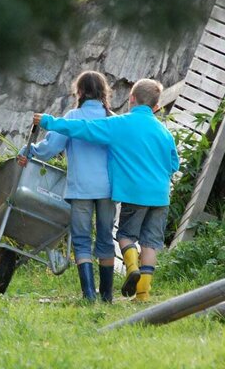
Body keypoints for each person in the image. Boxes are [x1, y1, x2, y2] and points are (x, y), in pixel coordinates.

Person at [33, 78, 180, 302]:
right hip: (158, 196)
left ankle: (127, 269)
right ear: (157, 107)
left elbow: (84, 129)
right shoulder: (163, 131)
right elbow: (173, 165)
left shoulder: (119, 123)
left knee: (123, 235)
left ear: (131, 98)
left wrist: (49, 122)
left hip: (128, 193)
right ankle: (140, 295)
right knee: (150, 242)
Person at [17, 71, 117, 303]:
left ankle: (89, 295)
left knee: (82, 239)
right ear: (103, 92)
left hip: (81, 188)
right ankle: (108, 297)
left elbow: (49, 148)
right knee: (105, 238)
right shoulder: (113, 118)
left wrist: (28, 151)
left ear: (79, 92)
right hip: (108, 189)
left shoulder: (72, 117)